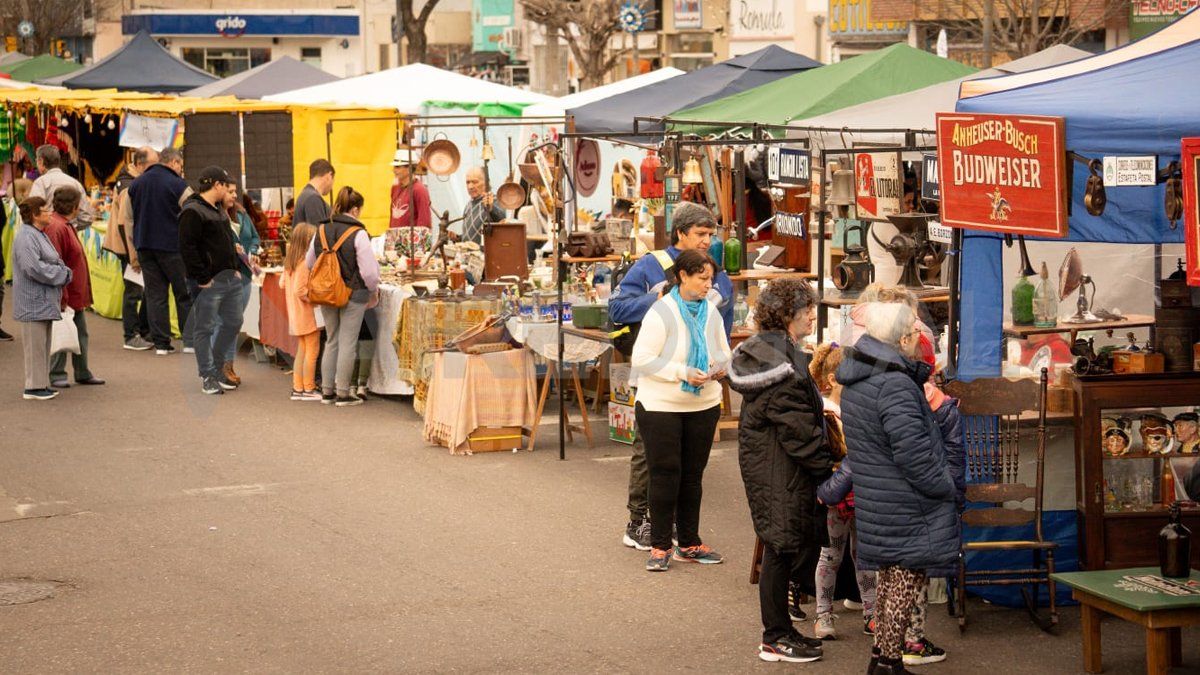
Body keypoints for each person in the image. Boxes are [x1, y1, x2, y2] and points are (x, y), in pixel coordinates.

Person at [837, 302, 958, 675]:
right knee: (902, 584)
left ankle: (883, 660)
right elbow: (913, 453)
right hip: (905, 500)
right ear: (902, 338)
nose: (917, 340)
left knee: (891, 583)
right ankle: (888, 663)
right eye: (913, 334)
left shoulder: (862, 376)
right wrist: (945, 486)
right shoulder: (894, 382)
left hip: (880, 496)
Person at [609, 201, 734, 551]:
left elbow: (721, 322)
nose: (707, 240)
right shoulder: (652, 265)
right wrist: (662, 298)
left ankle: (679, 529)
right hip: (658, 377)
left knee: (688, 462)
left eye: (711, 234)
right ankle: (638, 521)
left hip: (701, 382)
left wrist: (719, 364)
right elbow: (617, 307)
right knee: (650, 452)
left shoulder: (716, 272)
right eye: (700, 233)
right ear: (680, 233)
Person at [728, 278, 831, 663]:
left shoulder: (772, 352)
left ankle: (782, 631)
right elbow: (799, 429)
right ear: (787, 315)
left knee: (783, 546)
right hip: (777, 467)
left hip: (774, 464)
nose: (811, 315)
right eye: (806, 309)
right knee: (780, 547)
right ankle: (774, 637)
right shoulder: (780, 364)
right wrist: (826, 469)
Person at [630, 248, 731, 571]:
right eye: (702, 279)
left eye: (711, 280)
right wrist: (682, 371)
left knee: (692, 476)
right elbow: (642, 359)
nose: (707, 286)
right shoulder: (662, 312)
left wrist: (719, 367)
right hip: (661, 405)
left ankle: (688, 541)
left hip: (703, 403)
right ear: (682, 276)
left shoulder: (711, 313)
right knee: (665, 474)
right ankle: (660, 545)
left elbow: (723, 352)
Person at [898, 337, 964, 667]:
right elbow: (954, 458)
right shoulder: (944, 406)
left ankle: (896, 637)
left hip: (898, 498)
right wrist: (955, 498)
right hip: (931, 499)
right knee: (917, 573)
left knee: (896, 571)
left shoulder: (896, 399)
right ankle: (913, 639)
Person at [811, 344, 879, 641]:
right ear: (835, 378)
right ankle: (823, 614)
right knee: (831, 555)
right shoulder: (825, 412)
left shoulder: (860, 409)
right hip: (836, 493)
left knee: (864, 554)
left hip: (863, 491)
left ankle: (872, 613)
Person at [306, 186, 380, 407]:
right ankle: (343, 393)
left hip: (326, 292)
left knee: (332, 339)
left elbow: (310, 263)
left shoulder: (320, 230)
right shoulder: (358, 233)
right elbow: (369, 272)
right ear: (355, 209)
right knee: (348, 342)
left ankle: (327, 392)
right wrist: (373, 290)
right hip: (353, 293)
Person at [178, 166, 242, 396]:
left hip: (228, 278)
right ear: (217, 185)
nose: (228, 190)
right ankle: (207, 374)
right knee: (205, 327)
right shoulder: (193, 211)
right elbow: (187, 248)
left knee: (234, 322)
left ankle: (214, 367)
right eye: (226, 185)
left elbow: (226, 242)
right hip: (207, 282)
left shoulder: (217, 210)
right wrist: (202, 278)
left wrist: (234, 267)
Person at [129, 146, 193, 355]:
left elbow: (129, 219)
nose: (180, 170)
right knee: (183, 293)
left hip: (144, 245)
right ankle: (189, 340)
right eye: (180, 165)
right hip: (172, 246)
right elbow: (192, 212)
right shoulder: (178, 184)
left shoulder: (135, 184)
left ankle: (161, 344)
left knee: (156, 295)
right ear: (173, 162)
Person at [12, 197, 72, 400]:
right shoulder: (27, 237)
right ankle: (33, 387)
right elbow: (33, 268)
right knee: (35, 345)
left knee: (41, 345)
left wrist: (61, 271)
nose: (49, 213)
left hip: (42, 299)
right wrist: (62, 275)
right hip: (33, 299)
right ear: (35, 215)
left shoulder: (36, 234)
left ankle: (39, 383)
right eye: (45, 210)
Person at [45, 187, 104, 388]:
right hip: (67, 292)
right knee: (64, 331)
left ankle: (81, 371)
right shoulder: (58, 227)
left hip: (72, 291)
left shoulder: (62, 225)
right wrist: (62, 296)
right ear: (75, 206)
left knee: (79, 332)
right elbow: (56, 263)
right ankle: (58, 372)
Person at [103, 146, 155, 351]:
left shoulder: (134, 181)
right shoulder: (128, 186)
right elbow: (126, 223)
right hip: (128, 247)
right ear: (140, 165)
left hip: (133, 245)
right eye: (153, 165)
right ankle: (131, 335)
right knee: (133, 291)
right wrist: (133, 255)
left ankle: (142, 330)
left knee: (144, 290)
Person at [219, 185, 261, 386]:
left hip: (244, 275)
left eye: (235, 191)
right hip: (225, 275)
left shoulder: (242, 214)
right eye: (230, 191)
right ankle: (218, 367)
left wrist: (252, 250)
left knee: (235, 323)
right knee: (223, 323)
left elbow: (255, 237)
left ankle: (228, 365)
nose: (235, 195)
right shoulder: (214, 215)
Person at [281, 222, 320, 401]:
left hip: (294, 314)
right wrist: (314, 298)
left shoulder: (289, 262)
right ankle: (309, 388)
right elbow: (300, 290)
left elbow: (283, 284)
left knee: (302, 351)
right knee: (312, 350)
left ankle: (298, 387)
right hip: (306, 313)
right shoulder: (304, 262)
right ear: (306, 240)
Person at [29, 145, 95, 228]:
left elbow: (33, 213)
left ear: (41, 161)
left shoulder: (40, 183)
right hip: (69, 236)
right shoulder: (75, 183)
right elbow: (86, 218)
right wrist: (70, 227)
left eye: (36, 161)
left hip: (48, 236)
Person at [459, 166, 503, 245]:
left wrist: (491, 209)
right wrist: (457, 237)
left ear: (486, 182)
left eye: (475, 182)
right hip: (469, 255)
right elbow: (472, 236)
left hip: (486, 255)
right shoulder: (469, 205)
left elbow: (504, 221)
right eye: (468, 182)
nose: (470, 186)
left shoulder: (495, 201)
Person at [295, 159, 334, 226]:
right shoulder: (313, 199)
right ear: (329, 176)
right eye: (333, 180)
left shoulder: (306, 195)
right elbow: (318, 233)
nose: (332, 187)